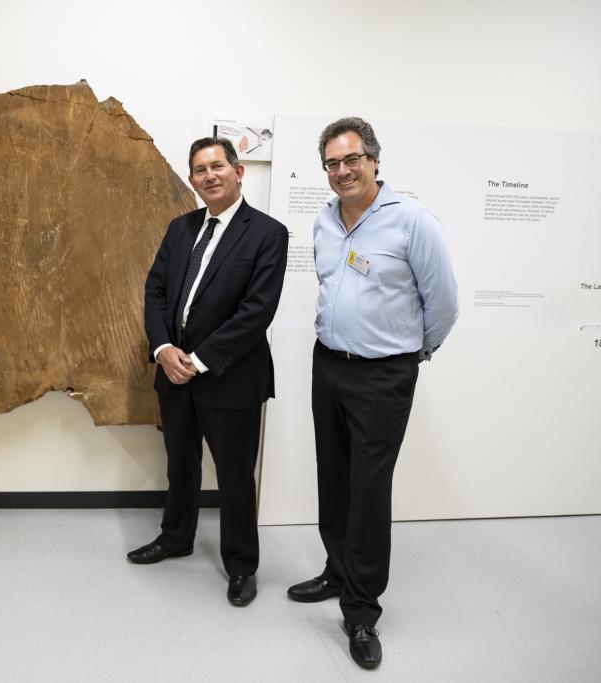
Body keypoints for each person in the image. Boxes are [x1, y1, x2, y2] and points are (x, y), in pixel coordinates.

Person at [287, 117, 459, 668]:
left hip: (384, 375)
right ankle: (337, 572)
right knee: (333, 477)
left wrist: (411, 352)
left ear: (375, 160)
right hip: (329, 366)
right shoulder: (324, 222)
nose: (342, 171)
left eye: (351, 160)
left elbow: (444, 305)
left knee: (369, 489)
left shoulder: (413, 223)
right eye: (332, 164)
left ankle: (361, 609)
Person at [130, 137, 289, 607]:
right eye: (199, 169)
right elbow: (154, 292)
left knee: (236, 475)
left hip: (229, 377)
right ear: (193, 179)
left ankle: (242, 566)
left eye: (217, 165)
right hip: (172, 372)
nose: (209, 175)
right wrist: (162, 349)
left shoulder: (267, 234)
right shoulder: (179, 229)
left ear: (239, 172)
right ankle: (176, 538)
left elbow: (256, 312)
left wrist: (196, 360)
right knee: (180, 464)